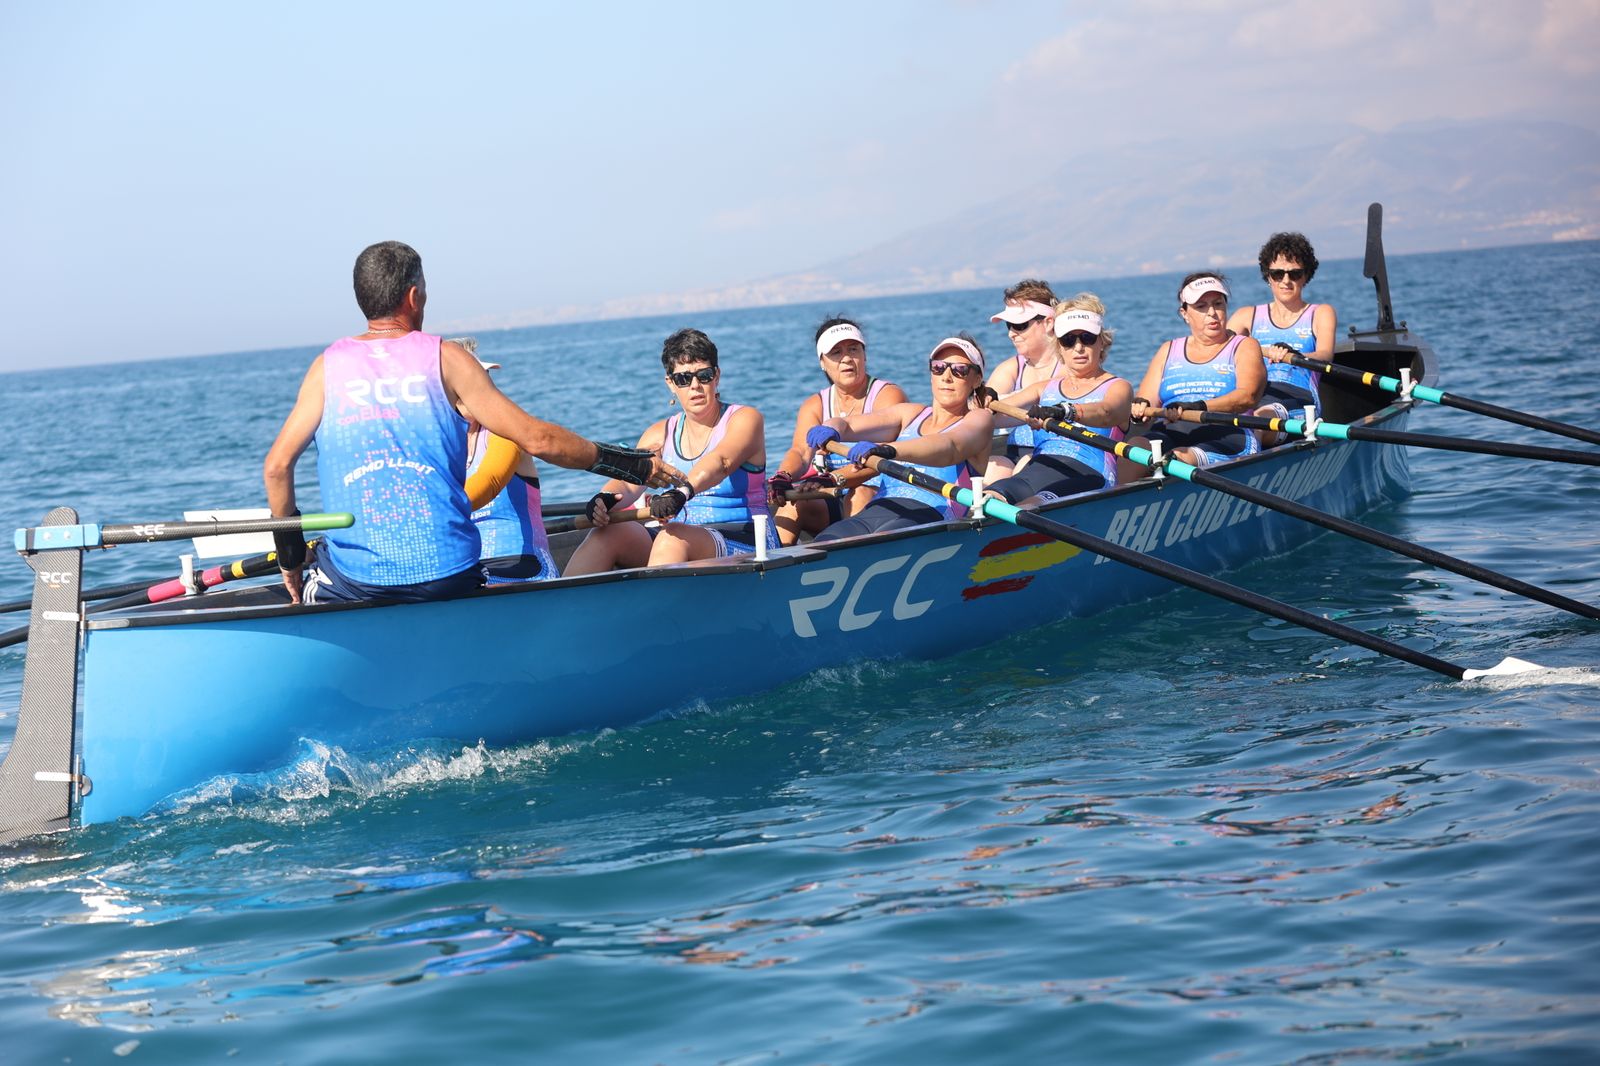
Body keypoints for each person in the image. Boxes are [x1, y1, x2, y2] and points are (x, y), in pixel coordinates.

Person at [263, 241, 683, 605]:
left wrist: (289, 553)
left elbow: (277, 468)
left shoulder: (326, 369)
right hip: (448, 576)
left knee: (312, 568)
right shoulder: (447, 359)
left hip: (359, 582)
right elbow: (538, 438)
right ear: (414, 297)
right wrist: (635, 465)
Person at [564, 328, 777, 575]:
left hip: (749, 539)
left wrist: (682, 492)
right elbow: (629, 483)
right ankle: (558, 609)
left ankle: (655, 611)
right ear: (670, 384)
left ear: (717, 376)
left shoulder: (745, 420)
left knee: (671, 537)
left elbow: (722, 461)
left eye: (704, 375)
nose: (695, 386)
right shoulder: (659, 435)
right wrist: (604, 499)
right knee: (608, 533)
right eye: (683, 379)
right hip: (680, 540)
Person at [805, 334, 995, 540]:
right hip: (882, 505)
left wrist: (889, 449)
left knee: (885, 541)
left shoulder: (979, 419)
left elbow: (950, 447)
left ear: (976, 379)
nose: (946, 377)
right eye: (939, 367)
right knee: (826, 540)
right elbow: (850, 424)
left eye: (960, 370)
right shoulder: (910, 413)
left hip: (934, 511)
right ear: (931, 373)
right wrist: (832, 427)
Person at [768, 316, 908, 545]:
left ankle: (853, 560)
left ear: (864, 354)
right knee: (791, 504)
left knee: (860, 492)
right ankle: (774, 565)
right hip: (835, 491)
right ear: (822, 362)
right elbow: (801, 453)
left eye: (853, 349)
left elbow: (881, 462)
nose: (846, 359)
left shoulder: (888, 396)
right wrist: (782, 476)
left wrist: (832, 479)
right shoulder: (815, 404)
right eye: (836, 353)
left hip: (880, 494)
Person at [986, 294, 1133, 505]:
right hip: (1038, 470)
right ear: (1059, 347)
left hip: (1088, 476)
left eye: (1087, 338)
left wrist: (1066, 411)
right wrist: (983, 400)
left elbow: (1107, 413)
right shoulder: (1044, 388)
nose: (1079, 347)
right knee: (986, 501)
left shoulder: (1118, 387)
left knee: (1030, 506)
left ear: (1102, 341)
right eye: (1069, 340)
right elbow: (996, 417)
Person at [1130, 272, 1266, 467]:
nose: (1212, 312)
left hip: (1228, 433)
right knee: (1136, 448)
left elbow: (1248, 396)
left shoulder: (1244, 345)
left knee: (1177, 457)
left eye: (1218, 304)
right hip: (1171, 430)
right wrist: (1138, 410)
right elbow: (1146, 405)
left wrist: (1198, 406)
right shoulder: (1168, 349)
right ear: (1185, 314)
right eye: (1201, 307)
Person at [453, 339, 558, 585]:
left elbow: (489, 479)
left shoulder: (506, 432)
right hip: (468, 566)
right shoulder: (439, 444)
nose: (482, 387)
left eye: (485, 378)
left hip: (525, 565)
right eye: (472, 381)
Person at [1227, 231, 1338, 437]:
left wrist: (1294, 356)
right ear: (1268, 277)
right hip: (1253, 392)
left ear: (1306, 277)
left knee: (1258, 420)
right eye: (1278, 274)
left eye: (1294, 274)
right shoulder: (1245, 316)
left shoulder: (1321, 313)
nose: (1286, 280)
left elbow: (1325, 355)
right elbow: (1219, 350)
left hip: (1297, 396)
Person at [984, 279, 1061, 480]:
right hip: (1014, 453)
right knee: (992, 469)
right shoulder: (1010, 368)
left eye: (1019, 325)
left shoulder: (1070, 367)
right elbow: (980, 412)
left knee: (1026, 465)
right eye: (1009, 325)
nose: (1011, 334)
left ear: (1048, 323)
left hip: (1057, 456)